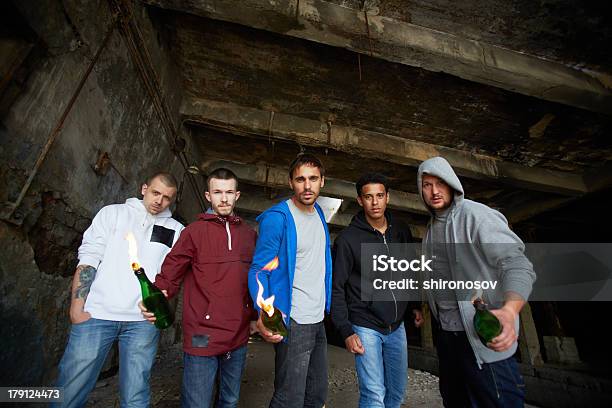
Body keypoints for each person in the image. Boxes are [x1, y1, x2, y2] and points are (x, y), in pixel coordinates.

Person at [53, 172, 184, 408]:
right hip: (96, 315)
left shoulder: (176, 230)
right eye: (155, 193)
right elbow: (89, 258)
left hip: (143, 322)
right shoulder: (112, 213)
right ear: (144, 188)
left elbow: (173, 275)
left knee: (136, 392)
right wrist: (76, 307)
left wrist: (163, 302)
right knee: (71, 387)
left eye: (166, 198)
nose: (159, 201)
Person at [414, 156, 536, 407]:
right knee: (456, 401)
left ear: (452, 183)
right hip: (448, 339)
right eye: (427, 185)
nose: (434, 191)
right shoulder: (430, 230)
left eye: (440, 182)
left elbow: (516, 264)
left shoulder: (477, 216)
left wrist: (510, 310)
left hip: (482, 336)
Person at [142, 168, 258, 408]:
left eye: (229, 192)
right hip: (202, 333)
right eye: (217, 192)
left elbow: (256, 279)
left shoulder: (249, 235)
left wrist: (257, 316)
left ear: (237, 195)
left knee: (230, 399)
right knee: (197, 402)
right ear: (208, 196)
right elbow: (171, 270)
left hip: (238, 332)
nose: (223, 198)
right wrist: (158, 295)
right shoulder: (193, 232)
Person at [248, 153, 332, 408]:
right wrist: (265, 313)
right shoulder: (278, 218)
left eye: (313, 179)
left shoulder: (318, 212)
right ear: (290, 182)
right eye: (300, 179)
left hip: (317, 319)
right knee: (289, 397)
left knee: (316, 395)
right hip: (294, 320)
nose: (307, 186)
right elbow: (258, 270)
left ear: (322, 181)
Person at [331, 172, 420, 408]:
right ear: (360, 200)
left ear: (387, 197)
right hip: (365, 324)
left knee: (397, 393)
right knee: (374, 394)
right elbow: (337, 287)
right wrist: (345, 330)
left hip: (397, 326)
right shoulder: (348, 239)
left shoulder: (401, 230)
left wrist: (414, 306)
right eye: (368, 197)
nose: (375, 202)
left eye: (379, 196)